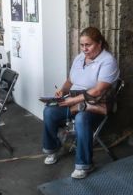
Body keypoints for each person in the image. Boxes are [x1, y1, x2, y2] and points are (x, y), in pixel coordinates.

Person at [42, 27, 119, 179]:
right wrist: (62, 91)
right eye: (82, 45)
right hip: (74, 101)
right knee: (49, 111)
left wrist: (73, 100)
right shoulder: (79, 58)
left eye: (88, 45)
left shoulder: (108, 61)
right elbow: (70, 81)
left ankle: (84, 165)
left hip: (95, 105)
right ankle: (53, 149)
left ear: (99, 43)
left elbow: (97, 90)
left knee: (81, 118)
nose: (84, 49)